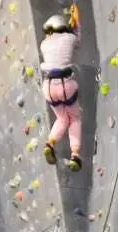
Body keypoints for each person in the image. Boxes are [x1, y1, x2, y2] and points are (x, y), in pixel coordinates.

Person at [39, 9, 83, 171]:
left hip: (49, 87)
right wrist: (76, 21)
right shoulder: (70, 38)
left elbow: (55, 42)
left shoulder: (44, 44)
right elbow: (77, 38)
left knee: (62, 118)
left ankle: (50, 144)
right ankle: (75, 155)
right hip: (66, 85)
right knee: (75, 119)